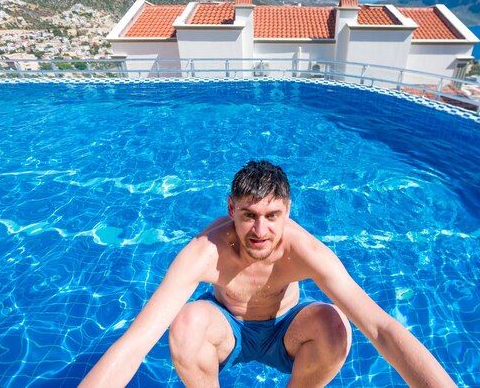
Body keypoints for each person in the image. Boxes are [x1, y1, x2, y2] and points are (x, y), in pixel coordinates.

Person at [80, 160, 456, 387]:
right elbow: (134, 344)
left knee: (333, 324)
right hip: (228, 329)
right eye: (249, 216)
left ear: (287, 212)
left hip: (285, 330)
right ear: (231, 209)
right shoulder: (203, 252)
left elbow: (381, 329)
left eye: (272, 216)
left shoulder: (304, 251)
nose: (260, 231)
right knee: (186, 322)